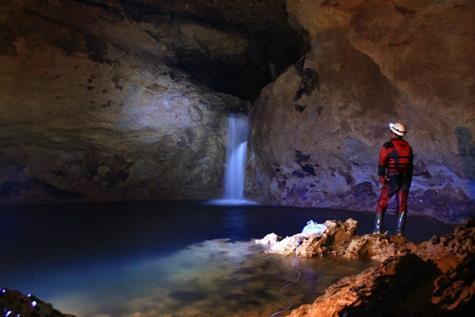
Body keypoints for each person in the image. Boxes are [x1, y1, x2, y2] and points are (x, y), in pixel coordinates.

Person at [373, 122, 414, 235]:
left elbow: (382, 162)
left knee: (382, 203)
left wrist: (381, 175)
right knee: (402, 204)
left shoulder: (388, 146)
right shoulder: (408, 146)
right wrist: (408, 182)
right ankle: (399, 233)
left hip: (392, 178)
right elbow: (410, 166)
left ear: (392, 133)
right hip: (405, 179)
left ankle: (377, 231)